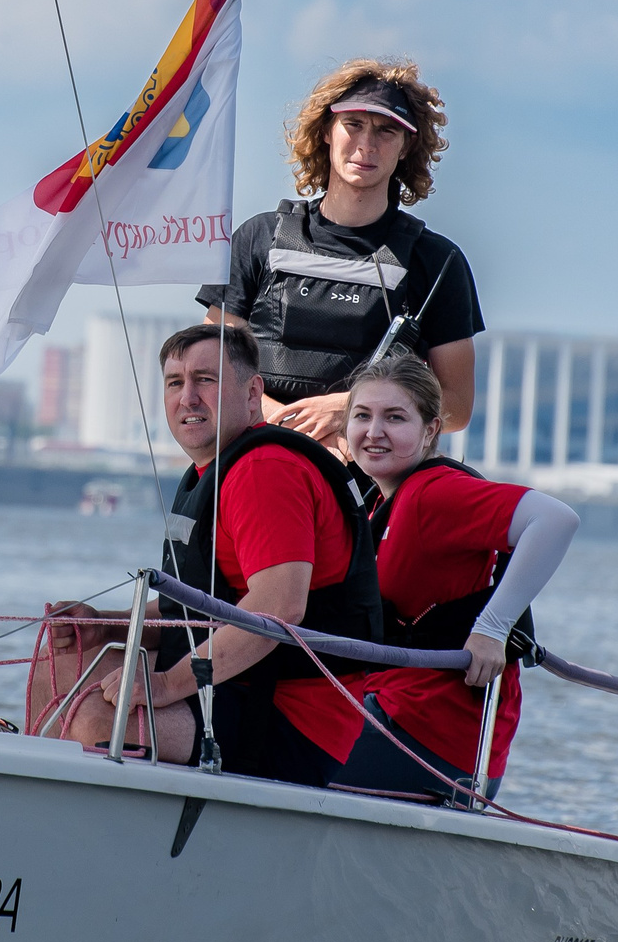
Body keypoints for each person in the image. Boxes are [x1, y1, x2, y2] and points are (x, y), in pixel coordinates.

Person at [31, 323, 378, 786]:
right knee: (67, 659)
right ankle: (44, 802)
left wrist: (166, 685)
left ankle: (84, 831)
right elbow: (195, 603)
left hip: (286, 714)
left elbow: (279, 608)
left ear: (253, 392)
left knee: (99, 718)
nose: (188, 397)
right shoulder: (209, 472)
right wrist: (106, 623)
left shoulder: (264, 470)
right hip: (232, 687)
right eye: (176, 383)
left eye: (206, 379)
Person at [200, 58, 482, 449]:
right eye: (354, 124)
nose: (367, 144)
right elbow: (211, 367)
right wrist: (281, 427)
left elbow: (456, 406)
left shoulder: (437, 262)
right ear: (327, 132)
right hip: (257, 457)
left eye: (387, 131)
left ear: (406, 146)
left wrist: (353, 408)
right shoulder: (259, 237)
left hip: (366, 483)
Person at [334, 351, 576, 801]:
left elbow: (555, 520)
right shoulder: (378, 506)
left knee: (258, 750)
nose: (374, 431)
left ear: (430, 430)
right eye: (362, 415)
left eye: (395, 418)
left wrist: (492, 627)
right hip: (398, 711)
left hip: (433, 732)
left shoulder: (433, 494)